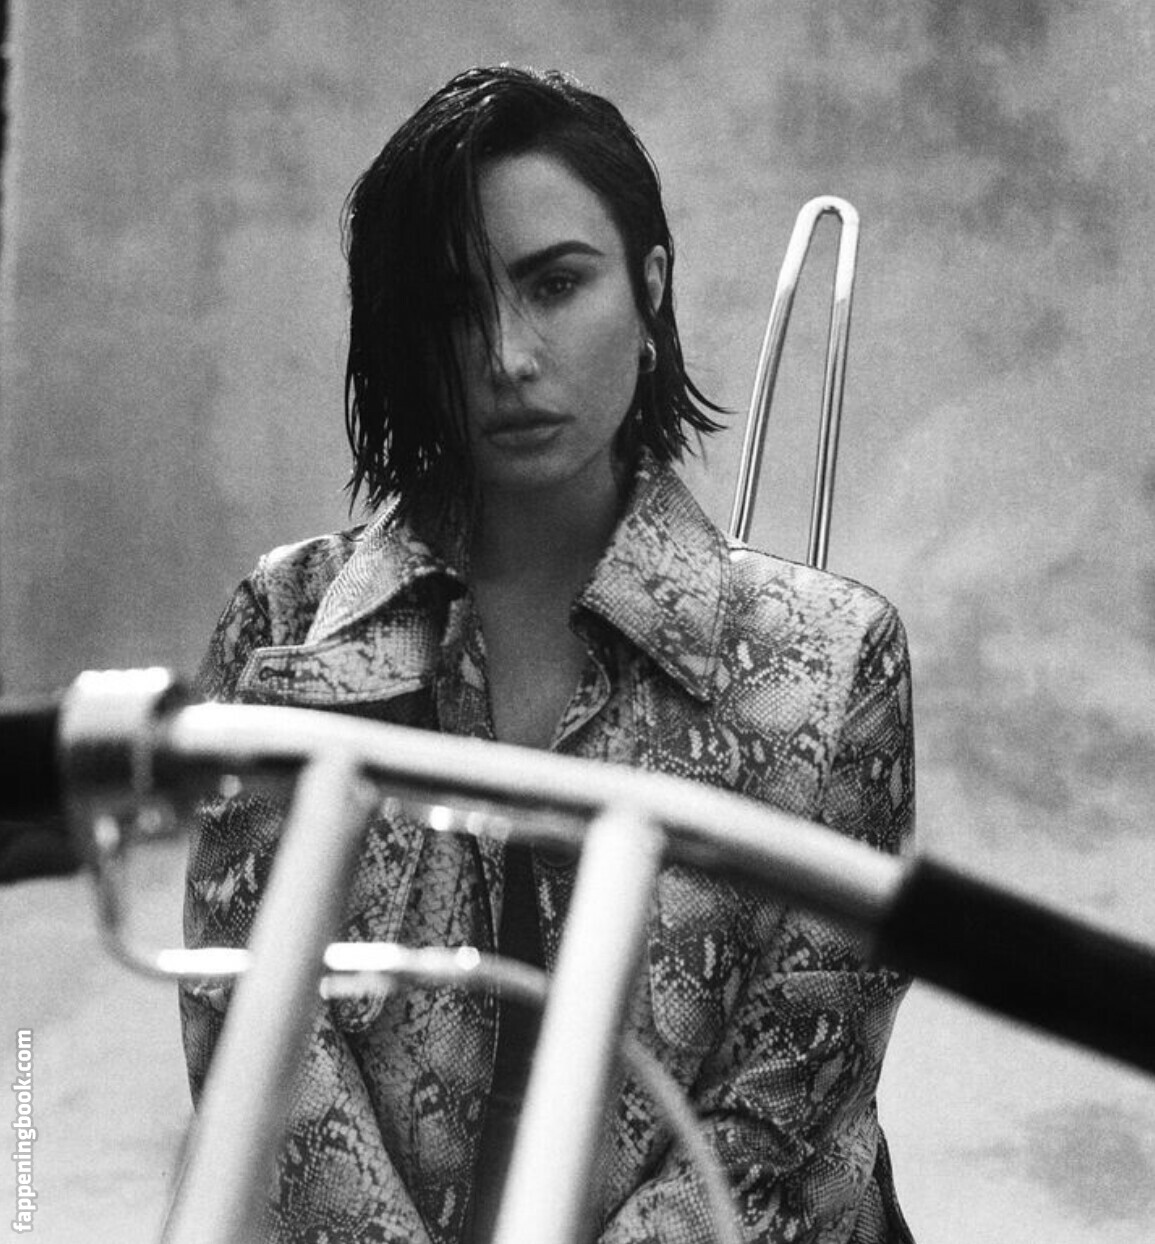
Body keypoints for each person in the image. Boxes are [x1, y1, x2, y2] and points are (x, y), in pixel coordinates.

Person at [180, 64, 916, 1244]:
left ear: (649, 286)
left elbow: (780, 1124)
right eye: (453, 307)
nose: (508, 355)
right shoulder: (286, 633)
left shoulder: (832, 662)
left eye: (556, 284)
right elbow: (257, 1052)